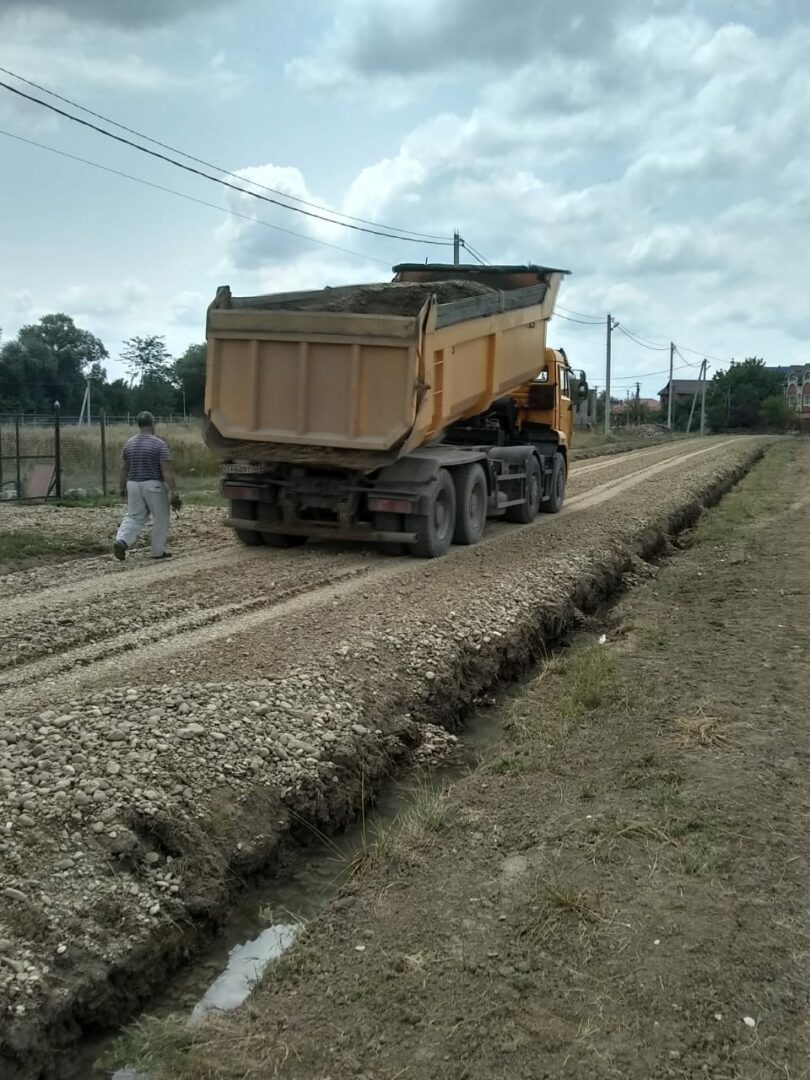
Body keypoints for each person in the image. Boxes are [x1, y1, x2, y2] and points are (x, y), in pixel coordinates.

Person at [113, 411, 182, 561]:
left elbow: (124, 468)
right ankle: (157, 551)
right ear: (152, 424)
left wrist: (121, 487)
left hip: (132, 484)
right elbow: (166, 471)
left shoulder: (129, 443)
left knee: (134, 516)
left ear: (138, 424)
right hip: (153, 485)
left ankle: (122, 541)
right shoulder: (159, 444)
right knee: (160, 518)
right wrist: (173, 491)